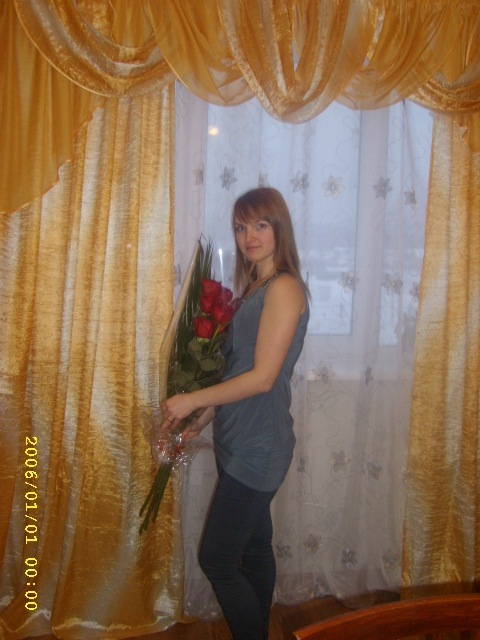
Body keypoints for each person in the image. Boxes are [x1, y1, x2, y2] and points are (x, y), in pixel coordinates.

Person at [161, 187, 310, 640]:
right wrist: (200, 420)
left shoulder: (284, 287)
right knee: (255, 546)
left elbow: (263, 379)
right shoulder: (253, 290)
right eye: (241, 227)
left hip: (259, 445)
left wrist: (191, 399)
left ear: (279, 228)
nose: (249, 236)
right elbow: (238, 371)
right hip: (236, 439)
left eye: (260, 225)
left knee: (218, 559)